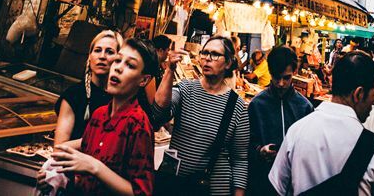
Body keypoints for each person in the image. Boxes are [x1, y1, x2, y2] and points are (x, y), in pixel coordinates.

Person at [269, 51, 374, 195]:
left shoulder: (296, 132)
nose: (373, 102)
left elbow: (277, 188)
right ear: (358, 94)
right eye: (373, 93)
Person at [51, 39, 158, 195]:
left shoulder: (138, 124)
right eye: (117, 60)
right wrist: (56, 177)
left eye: (130, 65)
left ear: (143, 80)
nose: (118, 68)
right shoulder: (99, 115)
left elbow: (141, 192)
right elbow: (84, 179)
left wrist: (95, 167)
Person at [154, 35, 249, 195]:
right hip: (175, 183)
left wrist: (239, 193)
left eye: (214, 54)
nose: (207, 59)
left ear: (228, 63)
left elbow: (240, 159)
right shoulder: (185, 89)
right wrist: (169, 70)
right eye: (204, 53)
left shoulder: (237, 106)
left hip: (213, 188)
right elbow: (159, 114)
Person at [247, 46, 313, 194]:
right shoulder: (256, 105)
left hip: (295, 185)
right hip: (263, 183)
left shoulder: (305, 107)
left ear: (294, 73)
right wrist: (260, 151)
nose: (281, 83)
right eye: (277, 77)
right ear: (270, 72)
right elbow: (244, 145)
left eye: (286, 77)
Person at [56, 30, 124, 145]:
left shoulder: (122, 97)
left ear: (119, 59)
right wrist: (103, 140)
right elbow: (59, 148)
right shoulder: (73, 96)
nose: (102, 56)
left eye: (109, 52)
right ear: (89, 57)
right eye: (97, 50)